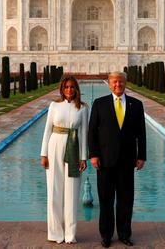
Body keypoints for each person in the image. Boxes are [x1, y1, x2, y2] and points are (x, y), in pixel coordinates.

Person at [88, 72, 146, 248]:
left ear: (125, 83)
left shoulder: (136, 104)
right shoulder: (100, 103)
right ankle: (106, 235)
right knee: (105, 200)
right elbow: (92, 132)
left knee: (126, 200)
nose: (117, 85)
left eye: (120, 82)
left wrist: (141, 156)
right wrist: (93, 155)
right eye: (114, 82)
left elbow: (141, 133)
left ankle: (124, 234)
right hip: (105, 160)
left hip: (127, 160)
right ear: (109, 84)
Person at [40, 76, 89, 244]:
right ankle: (55, 233)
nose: (69, 90)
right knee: (54, 191)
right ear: (62, 89)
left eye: (72, 87)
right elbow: (47, 130)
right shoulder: (54, 106)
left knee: (72, 192)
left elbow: (84, 134)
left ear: (76, 89)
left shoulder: (82, 108)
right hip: (55, 146)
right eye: (66, 87)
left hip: (74, 148)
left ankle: (70, 234)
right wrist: (43, 154)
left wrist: (84, 157)